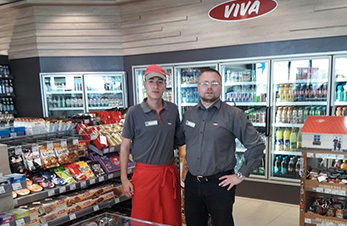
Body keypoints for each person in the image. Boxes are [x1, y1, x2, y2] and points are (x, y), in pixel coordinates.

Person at [179, 68, 265, 226]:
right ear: (197, 86)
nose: (209, 87)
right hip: (192, 183)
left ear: (220, 87)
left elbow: (257, 146)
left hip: (219, 184)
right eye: (205, 83)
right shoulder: (189, 114)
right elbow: (177, 140)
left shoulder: (234, 115)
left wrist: (240, 175)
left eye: (214, 83)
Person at [120, 64, 181, 226]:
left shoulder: (173, 110)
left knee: (170, 218)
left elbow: (178, 140)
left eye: (160, 82)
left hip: (168, 175)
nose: (155, 86)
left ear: (165, 85)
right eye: (151, 81)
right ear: (144, 84)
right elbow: (125, 147)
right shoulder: (134, 112)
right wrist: (124, 179)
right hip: (144, 176)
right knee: (144, 219)